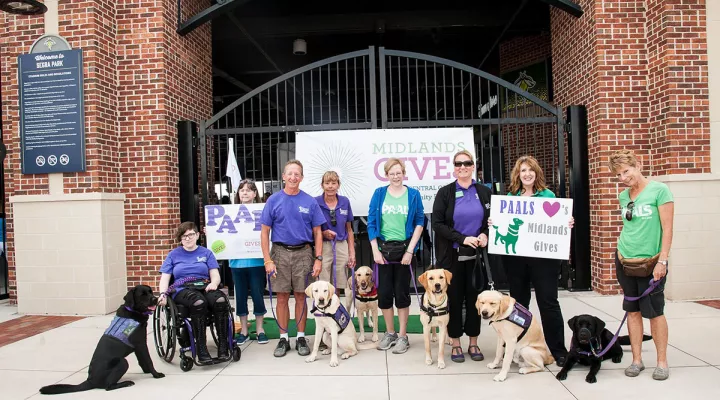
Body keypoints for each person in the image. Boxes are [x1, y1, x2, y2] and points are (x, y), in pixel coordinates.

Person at [491, 155, 573, 367]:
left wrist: (567, 222)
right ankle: (518, 347)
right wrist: (495, 221)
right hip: (517, 259)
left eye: (530, 170)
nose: (527, 174)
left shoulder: (548, 196)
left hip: (544, 259)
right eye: (522, 170)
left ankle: (558, 350)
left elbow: (556, 223)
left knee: (548, 302)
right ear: (517, 175)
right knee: (518, 304)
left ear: (536, 173)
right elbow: (504, 225)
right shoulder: (511, 198)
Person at [610, 149, 673, 380]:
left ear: (638, 165)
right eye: (618, 175)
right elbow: (630, 226)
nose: (623, 178)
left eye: (626, 171)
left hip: (652, 262)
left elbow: (667, 229)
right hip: (625, 259)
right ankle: (637, 360)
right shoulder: (624, 196)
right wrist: (619, 253)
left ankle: (662, 362)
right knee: (632, 311)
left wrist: (663, 260)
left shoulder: (660, 190)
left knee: (655, 312)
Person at [260, 160, 325, 357]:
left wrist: (318, 258)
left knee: (300, 296)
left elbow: (318, 232)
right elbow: (264, 233)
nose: (293, 177)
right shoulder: (273, 200)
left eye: (297, 174)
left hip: (304, 253)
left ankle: (301, 337)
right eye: (290, 173)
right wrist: (267, 260)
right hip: (279, 253)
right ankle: (283, 339)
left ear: (302, 178)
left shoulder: (310, 202)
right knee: (281, 297)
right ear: (283, 176)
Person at [432, 150, 492, 363]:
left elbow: (492, 221)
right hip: (453, 257)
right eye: (458, 164)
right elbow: (437, 224)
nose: (463, 167)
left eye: (467, 163)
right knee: (454, 300)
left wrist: (485, 233)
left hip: (477, 259)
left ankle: (473, 342)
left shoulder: (484, 192)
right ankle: (455, 342)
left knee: (476, 301)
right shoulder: (445, 192)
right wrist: (463, 238)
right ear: (454, 167)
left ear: (473, 166)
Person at [367, 158, 425, 354]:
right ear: (386, 175)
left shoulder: (414, 195)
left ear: (404, 173)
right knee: (384, 294)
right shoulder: (379, 194)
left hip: (405, 251)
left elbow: (419, 222)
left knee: (401, 293)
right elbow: (372, 223)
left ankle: (402, 335)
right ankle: (390, 332)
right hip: (383, 251)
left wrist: (410, 250)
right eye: (392, 173)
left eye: (399, 172)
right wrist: (375, 250)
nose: (395, 176)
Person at [158, 222, 229, 364]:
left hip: (204, 286)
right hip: (182, 289)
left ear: (197, 235)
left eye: (190, 235)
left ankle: (223, 345)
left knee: (220, 301)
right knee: (198, 303)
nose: (187, 238)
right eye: (184, 236)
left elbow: (215, 274)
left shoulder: (206, 253)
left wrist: (213, 284)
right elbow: (165, 277)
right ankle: (201, 349)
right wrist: (162, 294)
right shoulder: (173, 255)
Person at [230, 179, 268, 345]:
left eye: (248, 190)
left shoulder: (262, 211)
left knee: (258, 296)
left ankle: (260, 329)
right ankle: (244, 330)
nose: (244, 192)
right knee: (240, 297)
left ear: (254, 194)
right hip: (237, 263)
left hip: (257, 261)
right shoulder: (229, 212)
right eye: (242, 190)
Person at [315, 171, 357, 293]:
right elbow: (311, 229)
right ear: (322, 185)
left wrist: (352, 253)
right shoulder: (315, 202)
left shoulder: (345, 202)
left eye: (334, 183)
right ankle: (324, 311)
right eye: (327, 183)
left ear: (338, 185)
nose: (330, 186)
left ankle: (335, 309)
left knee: (339, 282)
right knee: (323, 282)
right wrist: (323, 233)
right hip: (323, 245)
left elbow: (349, 229)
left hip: (341, 244)